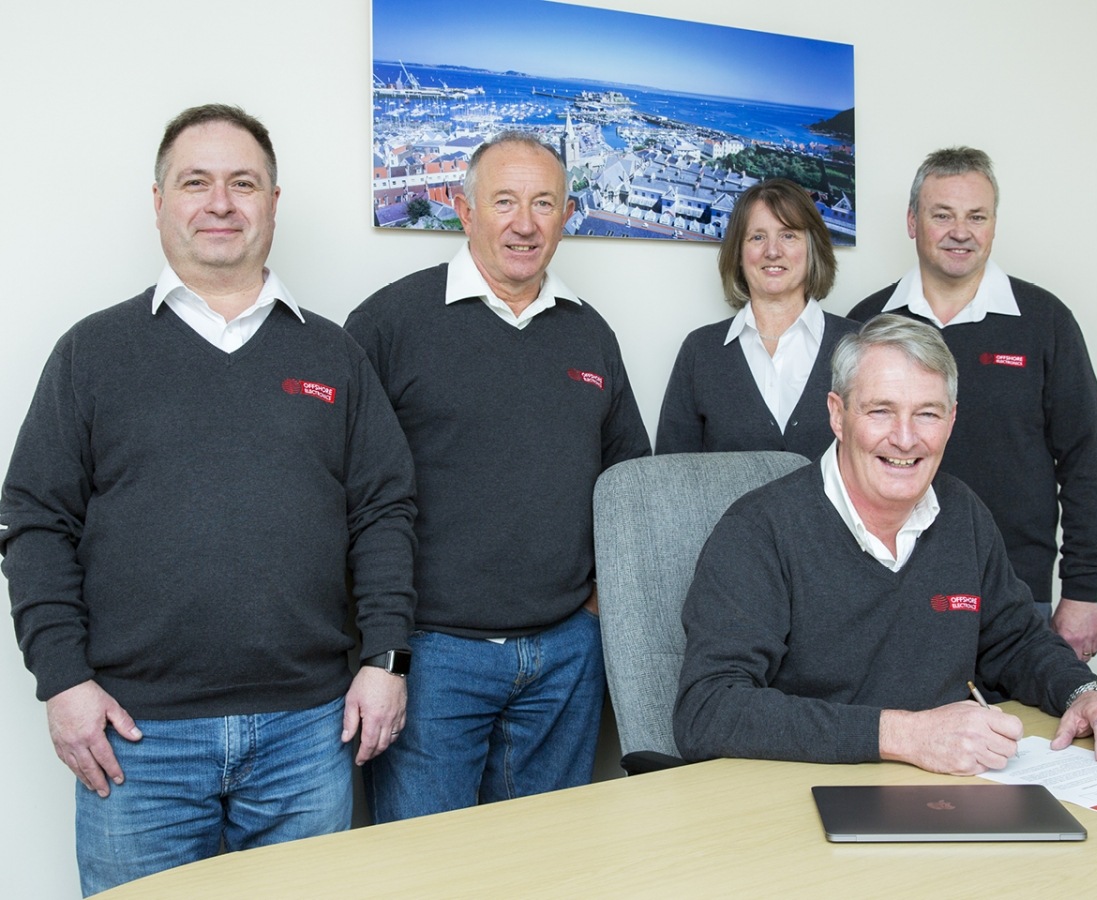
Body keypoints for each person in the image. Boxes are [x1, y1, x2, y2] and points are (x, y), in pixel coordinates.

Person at [0, 104, 419, 896]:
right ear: (159, 202)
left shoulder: (334, 354)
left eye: (243, 183)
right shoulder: (92, 353)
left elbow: (384, 513)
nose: (220, 203)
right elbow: (34, 523)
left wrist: (387, 661)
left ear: (274, 202)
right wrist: (62, 681)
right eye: (196, 183)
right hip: (136, 739)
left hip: (308, 731)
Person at [673, 315, 1097, 774]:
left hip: (946, 789)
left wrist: (1085, 693)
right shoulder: (759, 531)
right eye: (880, 411)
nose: (905, 439)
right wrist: (906, 736)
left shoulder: (962, 513)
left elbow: (1016, 642)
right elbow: (708, 710)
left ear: (951, 420)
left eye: (927, 414)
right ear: (838, 415)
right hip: (803, 795)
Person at [345, 131, 651, 822]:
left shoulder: (590, 334)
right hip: (432, 658)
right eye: (504, 201)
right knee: (427, 866)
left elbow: (629, 483)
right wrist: (382, 647)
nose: (525, 223)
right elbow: (344, 489)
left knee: (548, 860)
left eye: (544, 203)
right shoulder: (389, 323)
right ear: (465, 210)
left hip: (565, 656)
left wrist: (592, 609)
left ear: (567, 216)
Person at [848, 147, 1097, 665]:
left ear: (994, 224)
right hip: (886, 587)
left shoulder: (1045, 321)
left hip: (1016, 590)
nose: (961, 232)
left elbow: (1089, 458)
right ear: (912, 221)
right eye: (942, 215)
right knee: (898, 719)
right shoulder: (868, 324)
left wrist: (1082, 591)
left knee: (1028, 718)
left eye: (977, 216)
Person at [656, 179, 858, 460]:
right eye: (757, 237)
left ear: (812, 249)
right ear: (739, 254)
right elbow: (671, 473)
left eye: (788, 235)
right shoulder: (700, 351)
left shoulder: (861, 345)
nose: (772, 251)